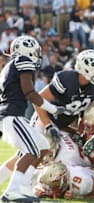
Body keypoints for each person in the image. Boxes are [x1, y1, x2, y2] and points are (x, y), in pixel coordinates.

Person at [0, 49, 94, 187]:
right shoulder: (67, 80)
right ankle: (18, 186)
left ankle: (37, 185)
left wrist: (81, 131)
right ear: (87, 69)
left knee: (62, 157)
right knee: (27, 155)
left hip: (64, 126)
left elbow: (85, 111)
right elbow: (38, 101)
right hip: (45, 119)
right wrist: (48, 126)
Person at [0, 35, 68, 202]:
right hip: (11, 115)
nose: (37, 55)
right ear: (26, 50)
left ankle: (23, 186)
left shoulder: (11, 66)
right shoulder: (22, 61)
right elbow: (29, 93)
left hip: (13, 115)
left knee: (43, 147)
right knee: (31, 151)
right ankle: (12, 191)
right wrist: (53, 108)